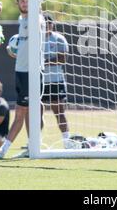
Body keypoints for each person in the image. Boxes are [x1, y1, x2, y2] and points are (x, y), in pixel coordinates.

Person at [0, 0, 46, 159]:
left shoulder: (37, 18)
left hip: (32, 73)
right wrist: (14, 50)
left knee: (21, 112)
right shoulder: (21, 19)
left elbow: (36, 31)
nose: (25, 3)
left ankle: (3, 150)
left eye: (28, 0)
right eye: (22, 0)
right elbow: (25, 45)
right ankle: (32, 146)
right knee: (29, 112)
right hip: (20, 72)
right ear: (17, 3)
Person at [42, 13, 70, 145]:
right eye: (43, 24)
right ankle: (35, 141)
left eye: (49, 23)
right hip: (39, 81)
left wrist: (44, 62)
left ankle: (66, 140)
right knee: (36, 113)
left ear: (52, 25)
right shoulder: (35, 39)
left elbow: (62, 59)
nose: (46, 26)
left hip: (55, 80)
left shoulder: (58, 39)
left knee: (58, 111)